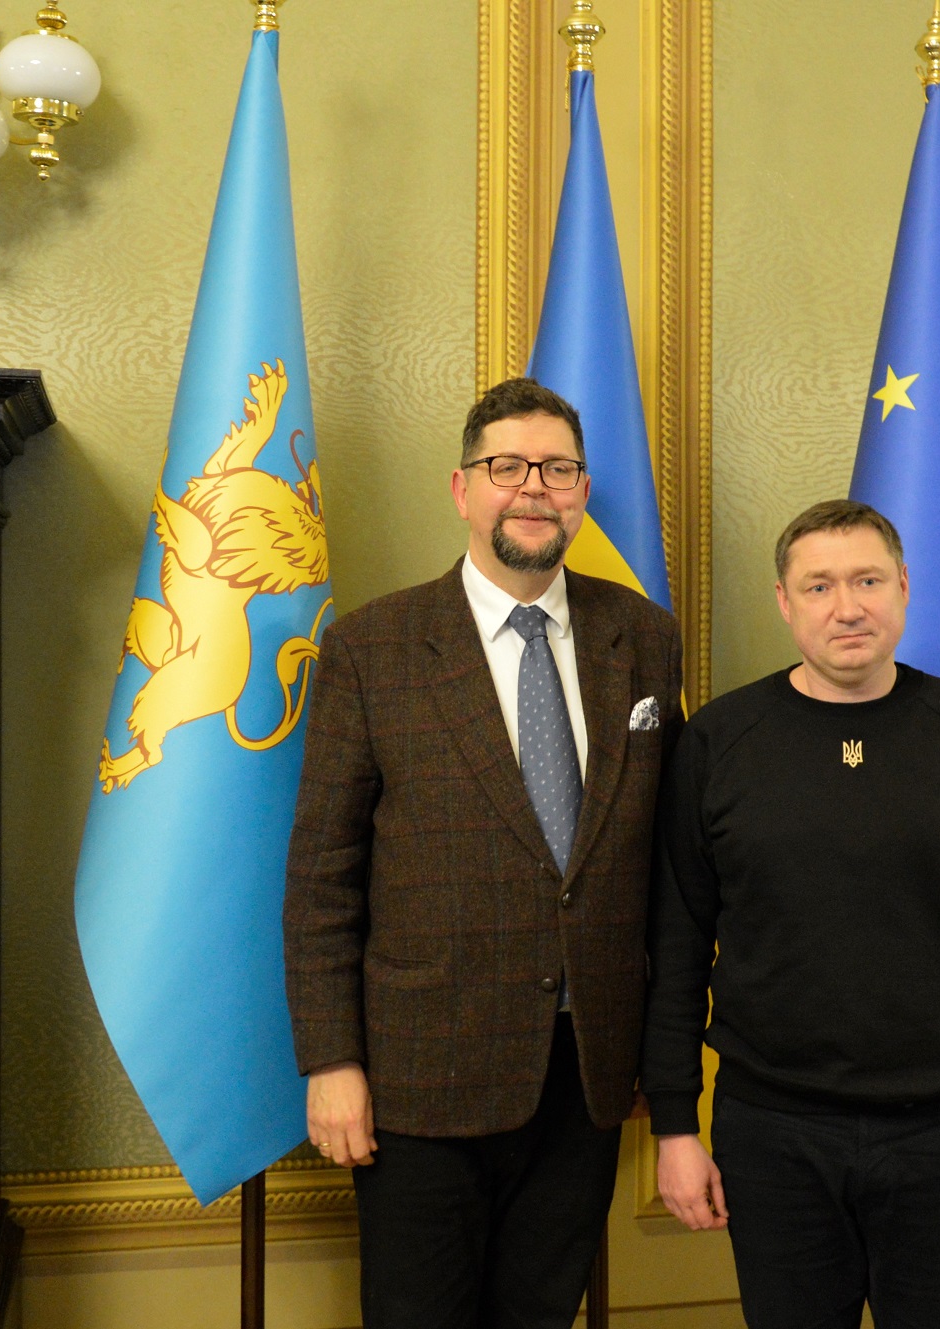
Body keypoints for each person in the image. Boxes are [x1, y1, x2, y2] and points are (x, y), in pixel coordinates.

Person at [283, 377, 684, 1329]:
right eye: (508, 466)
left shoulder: (644, 637)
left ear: (583, 492)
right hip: (420, 1077)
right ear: (463, 489)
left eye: (558, 469)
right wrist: (331, 1060)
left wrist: (660, 1060)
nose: (534, 487)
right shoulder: (374, 647)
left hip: (587, 1074)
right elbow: (323, 878)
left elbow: (666, 866)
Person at [641, 498, 940, 1328]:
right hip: (770, 1135)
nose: (846, 606)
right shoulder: (717, 743)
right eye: (819, 586)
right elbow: (675, 948)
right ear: (784, 602)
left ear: (904, 587)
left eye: (868, 580)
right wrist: (674, 1125)